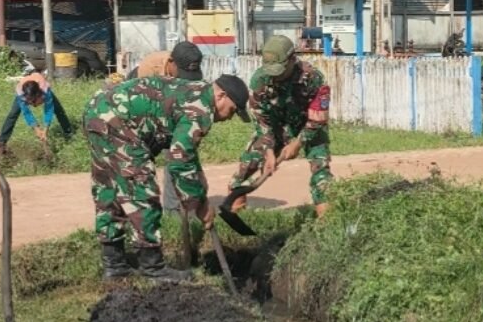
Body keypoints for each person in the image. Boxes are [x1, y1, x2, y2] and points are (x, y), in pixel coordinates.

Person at [83, 73, 251, 282]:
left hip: (97, 111)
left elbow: (184, 149)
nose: (228, 118)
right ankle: (152, 267)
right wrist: (199, 204)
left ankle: (114, 265)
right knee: (142, 193)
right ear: (221, 96)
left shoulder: (198, 91)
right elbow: (180, 159)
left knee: (109, 189)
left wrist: (199, 178)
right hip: (120, 124)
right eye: (232, 110)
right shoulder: (200, 109)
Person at [230, 35, 333, 217]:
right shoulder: (260, 80)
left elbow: (318, 118)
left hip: (309, 126)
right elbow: (262, 120)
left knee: (321, 170)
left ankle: (326, 224)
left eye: (280, 70)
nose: (275, 76)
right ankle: (236, 211)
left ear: (293, 59)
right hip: (277, 127)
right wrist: (269, 150)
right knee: (249, 163)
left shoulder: (314, 79)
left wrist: (298, 143)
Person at [127, 41, 204, 211]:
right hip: (142, 106)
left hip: (171, 108)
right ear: (171, 63)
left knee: (177, 152)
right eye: (183, 73)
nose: (186, 79)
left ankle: (174, 208)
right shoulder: (150, 70)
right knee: (142, 157)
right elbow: (148, 109)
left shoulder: (187, 66)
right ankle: (140, 207)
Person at [0, 71, 72, 150]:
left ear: (38, 95)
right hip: (24, 91)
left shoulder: (45, 91)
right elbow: (27, 113)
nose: (32, 104)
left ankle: (68, 132)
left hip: (40, 87)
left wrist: (45, 130)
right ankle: (2, 141)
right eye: (29, 101)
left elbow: (49, 110)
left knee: (58, 110)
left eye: (33, 100)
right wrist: (36, 129)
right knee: (13, 114)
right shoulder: (21, 94)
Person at [126, 40, 203, 81]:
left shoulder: (190, 62)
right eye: (181, 72)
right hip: (137, 80)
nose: (182, 77)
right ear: (171, 61)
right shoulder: (151, 68)